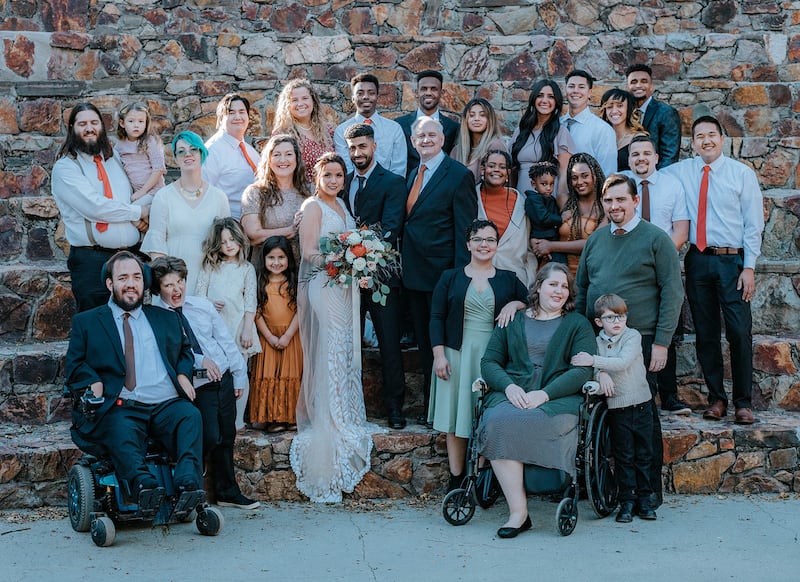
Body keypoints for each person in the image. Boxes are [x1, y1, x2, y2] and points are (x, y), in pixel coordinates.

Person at [575, 173, 683, 507]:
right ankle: (610, 488)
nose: (614, 206)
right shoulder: (595, 240)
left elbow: (672, 291)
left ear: (635, 200)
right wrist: (582, 338)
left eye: (621, 199)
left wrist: (662, 343)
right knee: (602, 415)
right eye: (608, 200)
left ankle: (647, 493)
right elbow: (581, 289)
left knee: (640, 420)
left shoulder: (655, 238)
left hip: (641, 340)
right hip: (599, 341)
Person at [65, 251, 202, 512]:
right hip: (122, 403)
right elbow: (74, 365)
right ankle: (143, 487)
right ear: (110, 284)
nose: (131, 284)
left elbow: (185, 351)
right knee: (118, 425)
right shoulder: (88, 322)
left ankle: (189, 484)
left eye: (137, 277)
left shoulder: (166, 318)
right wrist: (92, 381)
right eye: (123, 277)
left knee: (190, 416)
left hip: (164, 403)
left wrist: (183, 374)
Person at [290, 153, 385, 503]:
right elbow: (309, 252)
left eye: (338, 175)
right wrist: (344, 260)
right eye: (327, 175)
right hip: (324, 286)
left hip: (345, 287)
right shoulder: (313, 207)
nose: (333, 180)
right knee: (331, 348)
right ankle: (330, 420)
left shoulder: (344, 205)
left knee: (346, 348)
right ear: (317, 177)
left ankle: (347, 414)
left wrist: (357, 262)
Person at [476, 262, 596, 538]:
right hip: (514, 394)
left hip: (557, 399)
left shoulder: (578, 324)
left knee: (537, 423)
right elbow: (489, 361)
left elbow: (582, 370)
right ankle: (519, 513)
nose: (559, 291)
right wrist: (508, 387)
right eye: (553, 284)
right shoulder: (513, 319)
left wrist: (545, 393)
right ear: (538, 287)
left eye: (565, 286)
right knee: (497, 423)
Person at [665, 115, 765, 425]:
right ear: (692, 143)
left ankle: (743, 403)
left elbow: (753, 224)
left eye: (711, 134)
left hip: (731, 261)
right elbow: (648, 175)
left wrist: (748, 267)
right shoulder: (681, 172)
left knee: (738, 331)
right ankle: (716, 399)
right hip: (698, 259)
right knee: (706, 333)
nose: (706, 140)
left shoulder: (741, 174)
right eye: (699, 136)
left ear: (722, 139)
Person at [150, 256, 259, 511]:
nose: (176, 290)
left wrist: (238, 374)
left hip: (224, 375)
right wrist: (199, 359)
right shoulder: (156, 317)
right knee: (210, 435)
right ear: (158, 289)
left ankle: (227, 491)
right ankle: (191, 484)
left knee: (227, 434)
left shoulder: (201, 306)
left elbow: (225, 341)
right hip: (198, 383)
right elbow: (170, 351)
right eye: (168, 285)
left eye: (180, 282)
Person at [429, 220, 527, 491]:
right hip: (456, 355)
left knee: (488, 417)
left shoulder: (508, 279)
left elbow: (531, 302)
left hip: (493, 358)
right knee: (456, 419)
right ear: (468, 244)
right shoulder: (450, 277)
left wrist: (514, 303)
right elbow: (436, 317)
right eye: (478, 239)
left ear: (497, 245)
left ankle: (483, 475)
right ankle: (457, 477)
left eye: (490, 239)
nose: (484, 244)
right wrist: (439, 355)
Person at [402, 116, 478, 424]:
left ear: (443, 139)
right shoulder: (412, 173)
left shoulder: (458, 175)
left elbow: (465, 231)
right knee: (425, 344)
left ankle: (447, 409)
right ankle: (432, 407)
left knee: (445, 344)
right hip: (414, 275)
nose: (426, 140)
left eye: (432, 135)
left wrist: (459, 278)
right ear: (412, 141)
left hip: (443, 276)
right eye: (420, 136)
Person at [52, 102, 149, 312]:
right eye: (83, 123)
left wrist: (142, 218)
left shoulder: (114, 162)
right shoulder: (66, 168)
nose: (89, 128)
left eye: (94, 122)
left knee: (131, 325)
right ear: (72, 129)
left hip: (131, 257)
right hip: (93, 261)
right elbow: (96, 207)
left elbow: (134, 195)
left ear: (102, 127)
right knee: (96, 329)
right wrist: (138, 212)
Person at [342, 123, 408, 429]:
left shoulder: (393, 182)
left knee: (389, 343)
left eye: (362, 147)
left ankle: (395, 407)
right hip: (347, 278)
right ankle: (349, 404)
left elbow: (391, 226)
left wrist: (365, 261)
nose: (357, 153)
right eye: (353, 148)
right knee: (348, 342)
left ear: (374, 147)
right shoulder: (342, 183)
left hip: (383, 277)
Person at [571, 294, 656, 523]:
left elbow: (622, 361)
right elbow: (596, 368)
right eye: (610, 317)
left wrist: (594, 362)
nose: (617, 321)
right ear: (599, 322)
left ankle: (645, 500)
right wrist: (601, 373)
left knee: (644, 454)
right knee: (623, 456)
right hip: (617, 408)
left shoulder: (632, 336)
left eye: (621, 316)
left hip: (641, 405)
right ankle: (626, 501)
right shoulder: (596, 343)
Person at [623, 135, 691, 415]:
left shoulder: (672, 185)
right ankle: (640, 393)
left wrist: (659, 259)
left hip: (663, 268)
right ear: (629, 159)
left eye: (646, 153)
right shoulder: (621, 182)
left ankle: (670, 396)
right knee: (634, 329)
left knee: (667, 330)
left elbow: (681, 230)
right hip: (630, 269)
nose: (641, 158)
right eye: (635, 154)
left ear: (656, 157)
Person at [141, 131, 231, 295]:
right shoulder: (163, 196)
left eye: (193, 149)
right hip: (174, 279)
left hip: (209, 278)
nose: (187, 154)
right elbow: (157, 244)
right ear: (175, 159)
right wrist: (168, 282)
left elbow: (227, 245)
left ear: (202, 153)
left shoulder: (219, 198)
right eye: (181, 151)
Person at [196, 218, 260, 429]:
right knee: (219, 373)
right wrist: (210, 304)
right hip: (216, 327)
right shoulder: (209, 267)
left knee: (239, 370)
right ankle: (217, 419)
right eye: (223, 242)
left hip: (239, 325)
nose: (228, 245)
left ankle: (238, 420)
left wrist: (248, 329)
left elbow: (251, 300)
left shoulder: (246, 268)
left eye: (232, 240)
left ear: (240, 240)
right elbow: (199, 295)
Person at [249, 236, 302, 433]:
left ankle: (292, 417)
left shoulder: (293, 282)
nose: (276, 262)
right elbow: (256, 313)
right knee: (270, 375)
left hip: (291, 337)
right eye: (271, 257)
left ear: (289, 258)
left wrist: (287, 335)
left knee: (291, 374)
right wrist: (270, 337)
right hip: (268, 338)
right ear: (264, 259)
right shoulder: (259, 283)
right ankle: (274, 417)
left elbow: (301, 310)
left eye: (281, 257)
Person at [530, 153, 607, 275]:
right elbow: (544, 223)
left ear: (595, 176)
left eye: (585, 176)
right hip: (557, 270)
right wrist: (535, 240)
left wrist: (551, 246)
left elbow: (593, 243)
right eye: (574, 178)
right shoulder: (564, 201)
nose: (579, 182)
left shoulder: (605, 205)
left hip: (589, 273)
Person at [240, 134, 310, 263]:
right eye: (277, 155)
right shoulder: (255, 192)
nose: (283, 160)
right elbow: (252, 234)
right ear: (269, 160)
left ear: (297, 158)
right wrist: (290, 230)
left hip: (302, 267)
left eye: (288, 154)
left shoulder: (308, 192)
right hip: (268, 269)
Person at [476, 150, 537, 288]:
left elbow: (527, 245)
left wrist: (530, 276)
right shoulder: (471, 197)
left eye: (502, 167)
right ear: (483, 169)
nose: (497, 170)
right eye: (491, 165)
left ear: (508, 173)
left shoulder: (521, 202)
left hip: (514, 279)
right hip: (478, 279)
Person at [333, 73, 407, 177]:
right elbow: (345, 168)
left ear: (377, 97)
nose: (366, 97)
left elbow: (399, 169)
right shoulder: (342, 131)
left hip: (387, 189)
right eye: (360, 93)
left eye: (371, 93)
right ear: (353, 98)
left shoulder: (394, 129)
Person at [510, 79, 574, 196]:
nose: (545, 100)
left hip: (546, 203)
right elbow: (512, 170)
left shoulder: (560, 132)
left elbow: (564, 175)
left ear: (556, 102)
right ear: (534, 99)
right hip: (519, 199)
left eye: (550, 97)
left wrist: (562, 206)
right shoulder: (521, 131)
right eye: (540, 96)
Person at [203, 93, 260, 219]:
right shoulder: (212, 151)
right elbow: (203, 194)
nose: (237, 116)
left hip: (254, 220)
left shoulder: (251, 152)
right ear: (221, 118)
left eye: (242, 111)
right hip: (228, 225)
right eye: (231, 112)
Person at [395, 70, 460, 177]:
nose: (428, 93)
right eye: (424, 89)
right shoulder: (400, 125)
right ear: (416, 92)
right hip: (407, 187)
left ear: (441, 93)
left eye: (433, 89)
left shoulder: (453, 128)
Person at [271, 78, 335, 185]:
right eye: (294, 100)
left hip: (329, 191)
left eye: (305, 98)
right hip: (300, 192)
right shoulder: (282, 134)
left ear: (313, 101)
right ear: (287, 105)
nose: (300, 103)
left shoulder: (328, 130)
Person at [560, 70, 618, 178]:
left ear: (590, 93)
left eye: (581, 87)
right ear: (565, 90)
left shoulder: (602, 129)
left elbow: (608, 172)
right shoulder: (558, 124)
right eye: (571, 86)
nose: (575, 91)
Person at [626, 64, 682, 169]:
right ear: (627, 87)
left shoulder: (666, 112)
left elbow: (670, 155)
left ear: (651, 86)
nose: (638, 85)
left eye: (644, 81)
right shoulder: (623, 113)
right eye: (633, 82)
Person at [114, 102, 166, 206]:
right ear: (122, 123)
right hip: (134, 192)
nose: (136, 125)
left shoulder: (150, 141)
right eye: (131, 121)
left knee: (133, 211)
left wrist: (142, 191)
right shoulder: (120, 145)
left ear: (146, 123)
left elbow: (159, 169)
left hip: (154, 191)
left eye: (141, 121)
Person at [452, 97, 507, 184]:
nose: (476, 119)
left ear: (490, 120)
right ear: (465, 120)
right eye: (472, 115)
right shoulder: (456, 150)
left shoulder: (495, 146)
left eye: (482, 115)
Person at [524, 161, 566, 266]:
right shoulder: (533, 199)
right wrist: (561, 219)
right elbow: (544, 217)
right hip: (540, 238)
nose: (548, 188)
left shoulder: (551, 199)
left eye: (552, 184)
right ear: (533, 184)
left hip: (552, 239)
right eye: (544, 184)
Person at [599, 89, 648, 172]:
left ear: (628, 109)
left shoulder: (639, 139)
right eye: (609, 107)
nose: (614, 111)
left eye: (620, 106)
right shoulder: (600, 139)